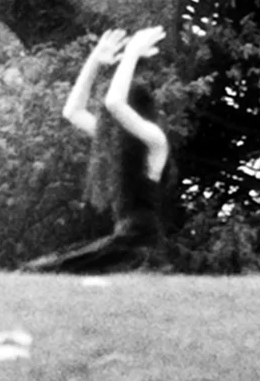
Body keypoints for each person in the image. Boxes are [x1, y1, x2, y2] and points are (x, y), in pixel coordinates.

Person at [25, 23, 179, 272]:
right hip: (125, 240)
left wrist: (131, 53)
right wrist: (95, 60)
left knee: (45, 270)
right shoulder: (117, 143)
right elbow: (73, 111)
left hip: (141, 247)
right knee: (41, 269)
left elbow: (115, 103)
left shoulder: (155, 141)